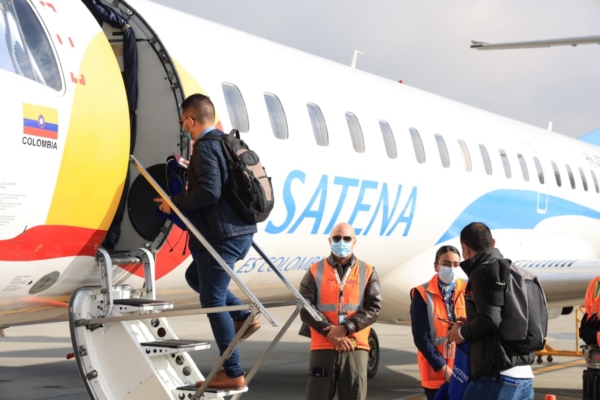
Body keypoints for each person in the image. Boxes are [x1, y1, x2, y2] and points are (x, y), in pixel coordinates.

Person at [154, 93, 259, 390]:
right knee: (195, 277)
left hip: (222, 236)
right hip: (241, 231)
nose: (182, 127)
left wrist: (172, 203)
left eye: (182, 121)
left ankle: (233, 372)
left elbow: (209, 192)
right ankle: (241, 316)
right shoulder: (228, 144)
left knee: (212, 300)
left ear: (190, 120)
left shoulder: (203, 148)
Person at [448, 222, 534, 400]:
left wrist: (462, 332)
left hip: (497, 377)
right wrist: (472, 323)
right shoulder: (515, 271)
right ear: (493, 242)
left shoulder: (482, 270)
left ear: (464, 248)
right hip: (524, 375)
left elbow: (490, 319)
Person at [298, 222, 382, 400]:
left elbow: (373, 308)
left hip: (355, 345)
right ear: (329, 241)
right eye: (337, 238)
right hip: (323, 345)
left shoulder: (367, 271)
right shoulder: (315, 270)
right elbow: (304, 306)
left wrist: (345, 329)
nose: (341, 242)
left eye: (346, 238)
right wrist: (331, 333)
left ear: (354, 242)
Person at [410, 245, 467, 400]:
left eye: (456, 264)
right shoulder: (421, 293)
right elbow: (421, 337)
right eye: (447, 264)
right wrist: (444, 369)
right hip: (435, 373)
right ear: (436, 266)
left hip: (464, 371)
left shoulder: (468, 290)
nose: (452, 268)